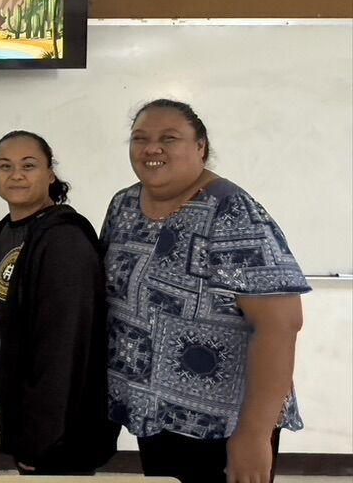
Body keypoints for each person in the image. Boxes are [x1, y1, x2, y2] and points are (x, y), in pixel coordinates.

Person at [102, 99, 309, 483]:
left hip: (222, 424)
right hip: (154, 414)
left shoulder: (232, 210)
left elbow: (281, 325)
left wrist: (253, 435)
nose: (152, 148)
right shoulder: (123, 205)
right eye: (140, 138)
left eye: (169, 138)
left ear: (201, 147)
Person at [0, 130, 118, 476]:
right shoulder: (3, 232)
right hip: (27, 417)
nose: (16, 174)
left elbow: (64, 348)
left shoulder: (64, 239)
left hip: (62, 431)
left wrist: (41, 436)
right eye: (5, 166)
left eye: (29, 165)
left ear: (50, 173)